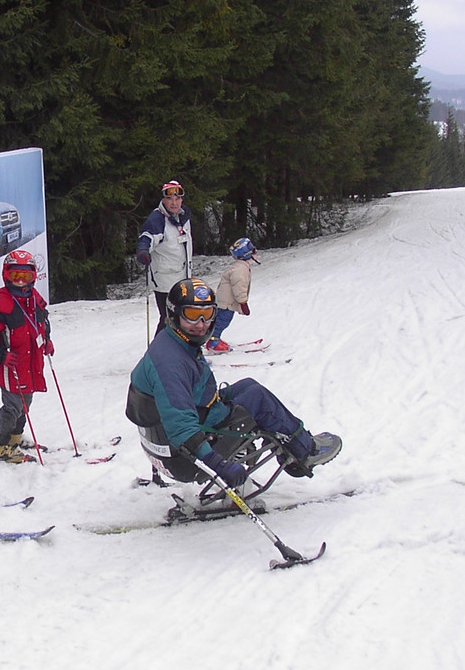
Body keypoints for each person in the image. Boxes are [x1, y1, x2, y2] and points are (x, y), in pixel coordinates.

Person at [127, 277, 340, 496]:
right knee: (258, 398)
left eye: (207, 314)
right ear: (174, 314)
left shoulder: (173, 341)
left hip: (182, 428)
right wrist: (218, 465)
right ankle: (305, 451)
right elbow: (181, 426)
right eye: (191, 315)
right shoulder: (170, 364)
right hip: (185, 456)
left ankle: (291, 444)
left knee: (248, 386)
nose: (200, 324)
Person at [0, 250, 53, 463]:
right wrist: (1, 355)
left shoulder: (35, 300)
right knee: (13, 406)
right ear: (6, 275)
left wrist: (47, 340)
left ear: (33, 276)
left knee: (25, 402)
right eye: (15, 276)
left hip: (30, 362)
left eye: (25, 276)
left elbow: (43, 322)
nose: (20, 281)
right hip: (10, 365)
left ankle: (13, 439)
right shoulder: (1, 305)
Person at [135, 180, 193, 334]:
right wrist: (142, 251)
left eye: (177, 199)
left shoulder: (183, 217)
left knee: (181, 317)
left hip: (182, 277)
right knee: (168, 318)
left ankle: (178, 346)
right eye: (169, 199)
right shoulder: (157, 219)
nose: (174, 203)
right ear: (163, 200)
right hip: (165, 281)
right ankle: (158, 347)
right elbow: (146, 237)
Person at [208, 237, 258, 353]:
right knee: (222, 321)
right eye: (253, 251)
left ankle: (214, 338)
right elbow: (239, 288)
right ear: (247, 254)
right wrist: (243, 303)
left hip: (225, 301)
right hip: (226, 303)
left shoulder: (240, 266)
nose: (256, 253)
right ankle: (213, 341)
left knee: (220, 320)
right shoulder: (240, 269)